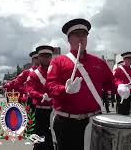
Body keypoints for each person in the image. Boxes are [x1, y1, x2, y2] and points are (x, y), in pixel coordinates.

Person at [46, 18, 116, 150]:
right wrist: (64, 89)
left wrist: (121, 87)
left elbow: (110, 84)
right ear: (69, 39)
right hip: (67, 123)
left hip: (94, 121)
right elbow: (50, 87)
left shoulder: (98, 62)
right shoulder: (59, 62)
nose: (81, 38)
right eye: (77, 34)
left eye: (84, 34)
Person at [26, 45, 54, 150]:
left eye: (48, 56)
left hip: (55, 111)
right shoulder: (34, 74)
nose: (46, 58)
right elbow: (30, 90)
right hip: (40, 111)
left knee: (53, 138)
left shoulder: (55, 71)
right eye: (43, 56)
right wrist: (40, 96)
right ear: (39, 58)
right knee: (40, 139)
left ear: (51, 57)